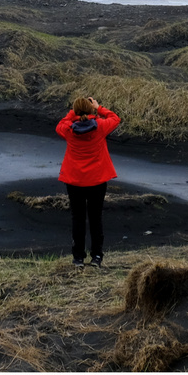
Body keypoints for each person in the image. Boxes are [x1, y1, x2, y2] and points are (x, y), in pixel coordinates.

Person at [55, 95, 120, 268]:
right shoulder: (100, 127)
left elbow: (60, 125)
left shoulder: (68, 129)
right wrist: (98, 108)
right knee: (95, 218)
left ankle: (78, 258)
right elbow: (115, 118)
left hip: (75, 180)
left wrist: (73, 112)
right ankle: (96, 257)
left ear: (75, 111)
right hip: (97, 180)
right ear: (91, 109)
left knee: (77, 218)